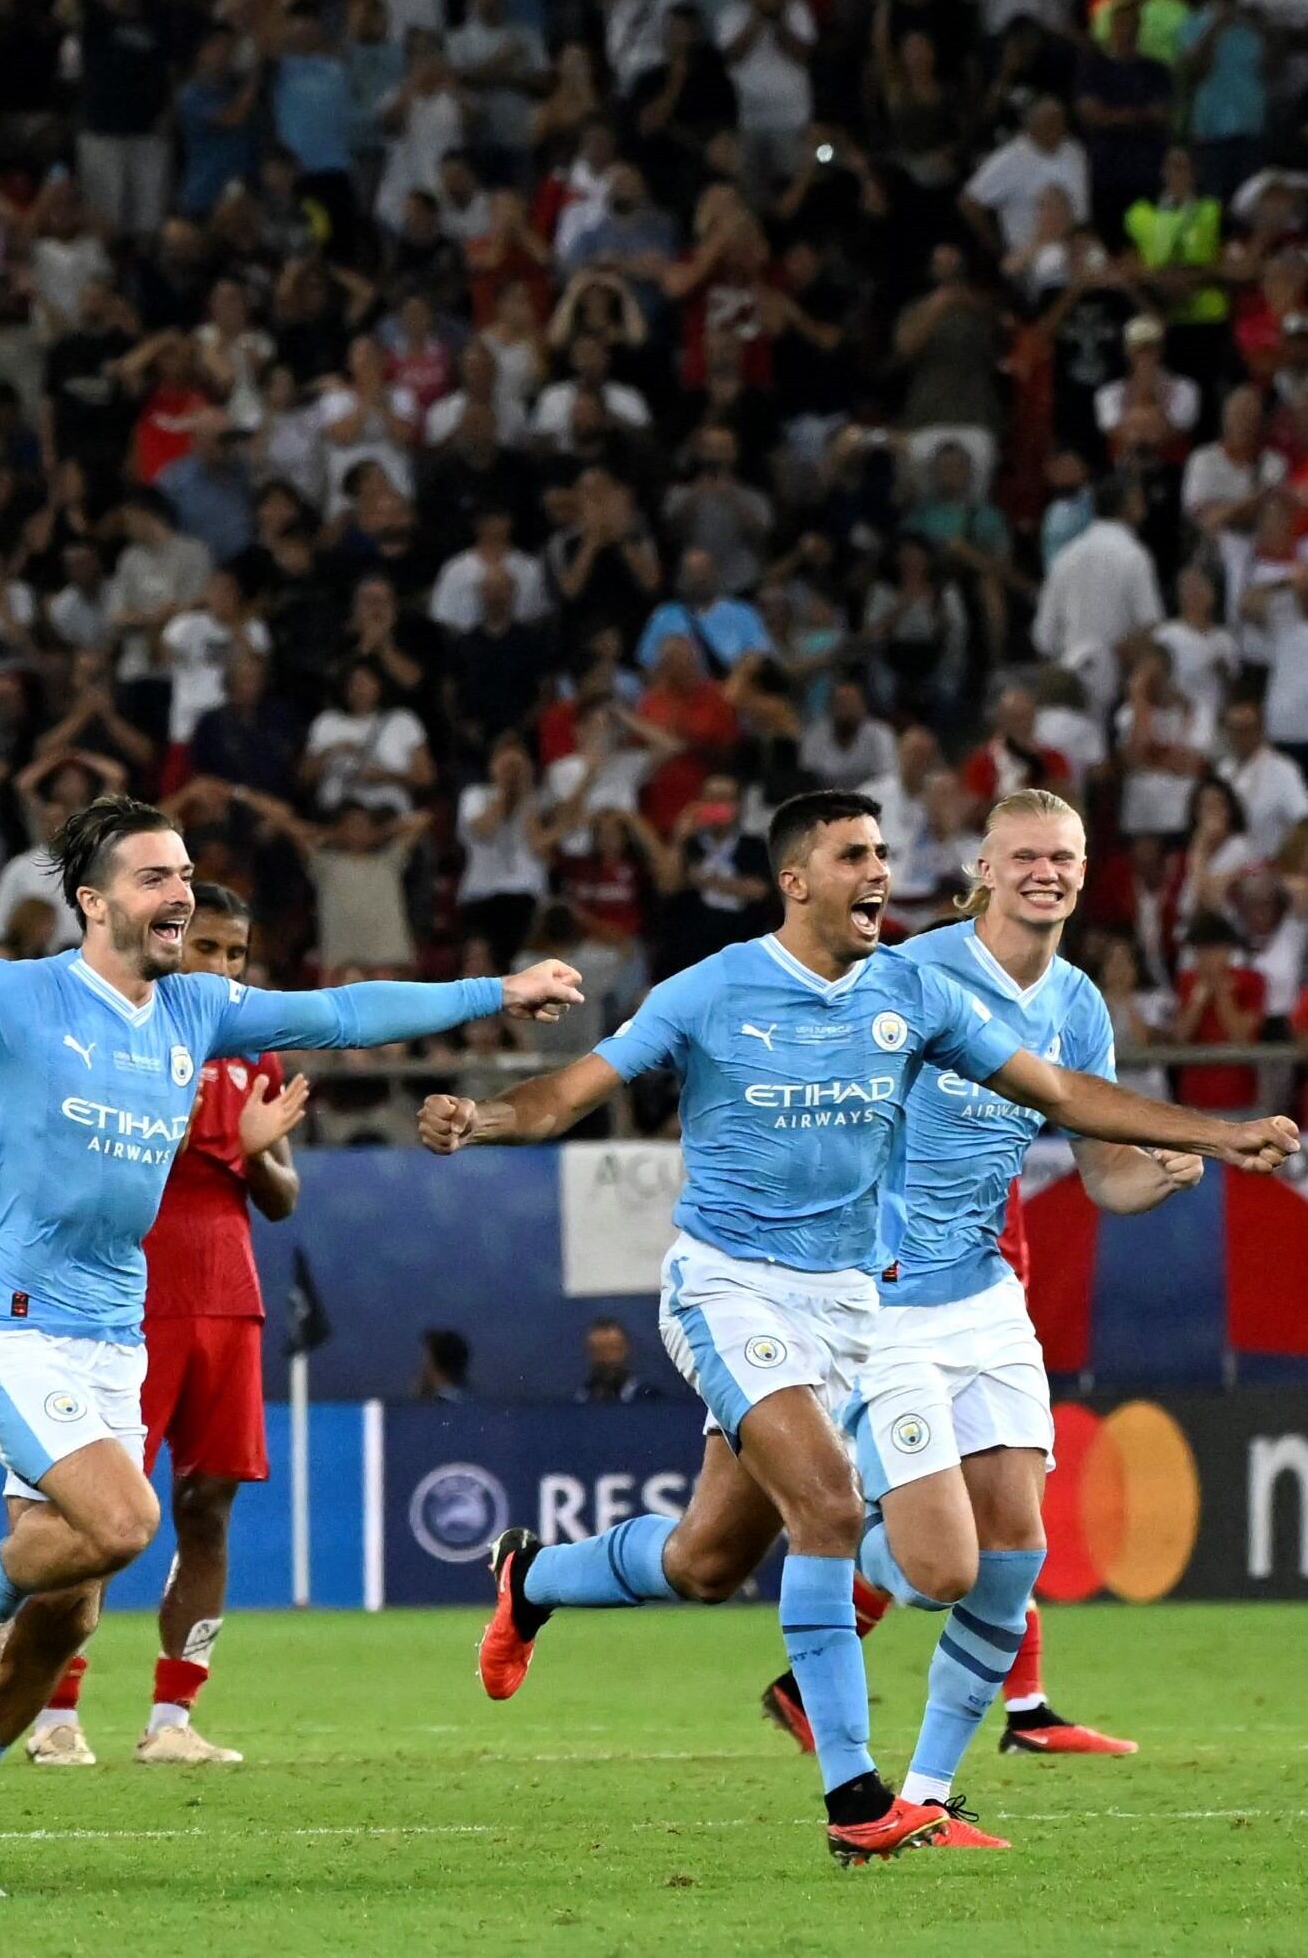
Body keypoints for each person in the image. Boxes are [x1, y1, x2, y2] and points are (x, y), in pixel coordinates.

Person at [0, 794, 583, 1895]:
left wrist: (497, 991)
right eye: (152, 877)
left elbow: (338, 1013)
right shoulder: (17, 995)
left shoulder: (194, 1009)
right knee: (126, 1521)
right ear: (91, 902)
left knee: (77, 1604)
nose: (177, 892)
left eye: (182, 873)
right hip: (7, 1319)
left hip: (107, 1331)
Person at [421, 790, 1297, 1864]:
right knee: (831, 1513)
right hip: (728, 1286)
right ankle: (859, 1806)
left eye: (884, 851)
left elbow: (1058, 1093)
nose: (879, 871)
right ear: (796, 881)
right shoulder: (710, 988)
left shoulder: (909, 993)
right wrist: (485, 1116)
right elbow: (568, 1093)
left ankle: (532, 1577)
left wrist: (1212, 1137)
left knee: (703, 1561)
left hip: (845, 1302)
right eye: (853, 855)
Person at [755, 791, 1168, 1785]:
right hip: (881, 1307)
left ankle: (929, 1793)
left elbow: (1103, 1173)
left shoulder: (1075, 1005)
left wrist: (1160, 1168)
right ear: (980, 870)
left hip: (983, 1300)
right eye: (1021, 854)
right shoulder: (907, 974)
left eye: (1062, 855)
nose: (1045, 870)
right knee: (942, 1568)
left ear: (1080, 869)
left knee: (1014, 1549)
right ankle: (828, 1615)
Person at [32, 881, 308, 1769]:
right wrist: (208, 1133)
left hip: (228, 1295)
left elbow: (281, 1197)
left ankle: (170, 1718)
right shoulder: (125, 1038)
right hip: (131, 1297)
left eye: (237, 954)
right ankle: (53, 1712)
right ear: (171, 946)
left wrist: (259, 1149)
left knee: (208, 1507)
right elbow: (91, 1164)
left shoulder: (252, 1052)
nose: (224, 968)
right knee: (103, 1511)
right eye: (208, 950)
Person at [576, 1318, 655, 1403]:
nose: (607, 1357)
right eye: (599, 1350)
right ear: (588, 1353)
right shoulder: (578, 1399)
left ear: (626, 1350)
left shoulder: (649, 1400)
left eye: (613, 1349)